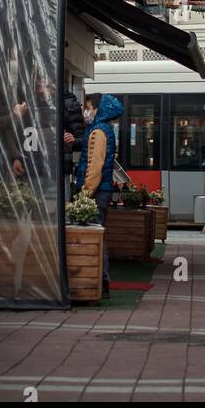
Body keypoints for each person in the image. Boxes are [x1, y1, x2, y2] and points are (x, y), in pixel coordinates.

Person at [75, 92, 122, 298]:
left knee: (95, 236)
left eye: (88, 108)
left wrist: (85, 194)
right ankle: (101, 282)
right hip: (102, 191)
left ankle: (99, 282)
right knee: (98, 235)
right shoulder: (103, 129)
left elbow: (95, 168)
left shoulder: (98, 132)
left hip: (96, 193)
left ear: (96, 109)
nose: (86, 112)